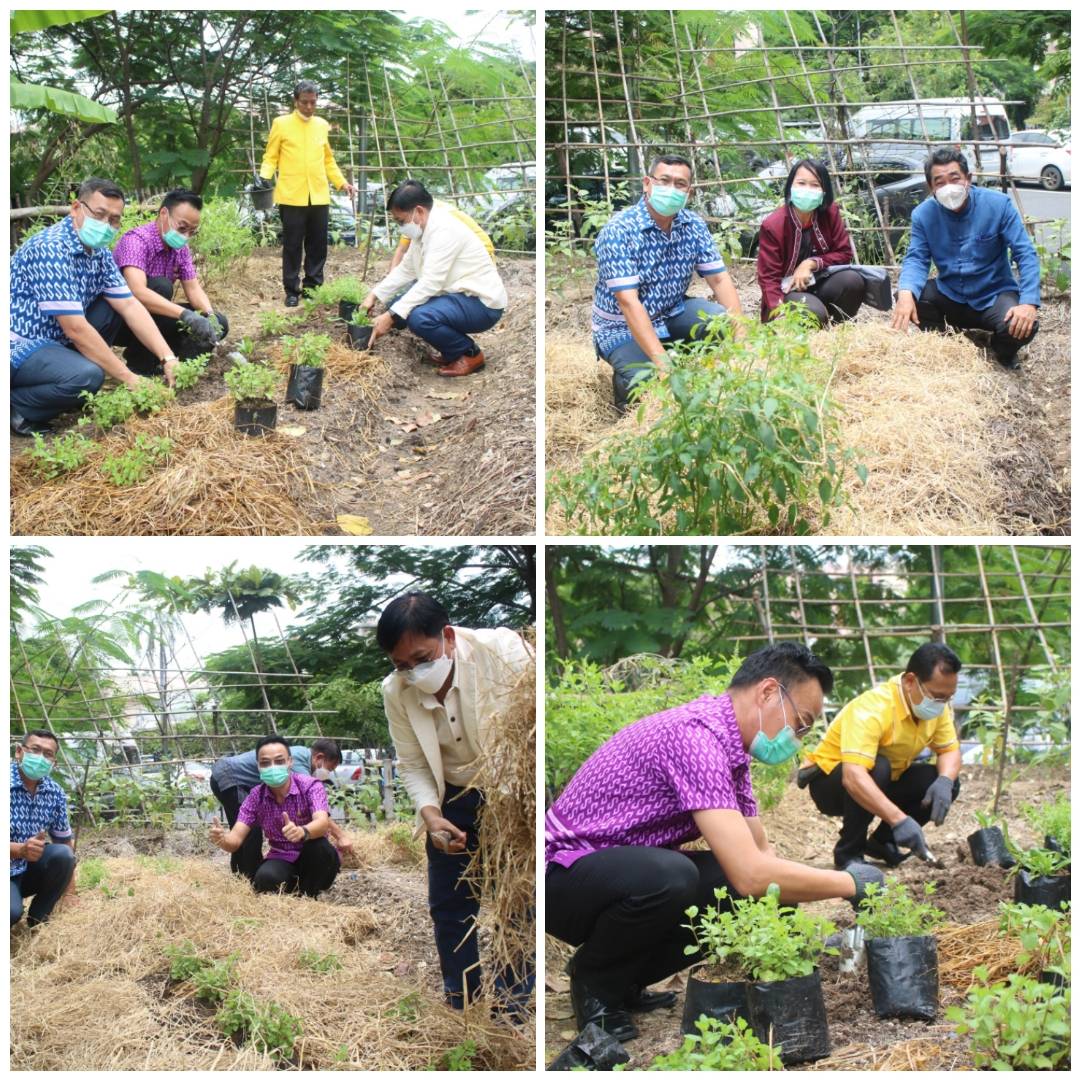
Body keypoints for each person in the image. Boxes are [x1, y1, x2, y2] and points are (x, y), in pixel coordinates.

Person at [545, 643, 884, 1042]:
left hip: (615, 878)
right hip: (562, 877)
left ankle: (624, 981)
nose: (798, 738)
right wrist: (850, 883)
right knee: (671, 876)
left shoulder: (731, 751)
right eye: (801, 723)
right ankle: (595, 986)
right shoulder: (695, 737)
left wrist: (790, 943)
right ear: (768, 692)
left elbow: (760, 857)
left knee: (730, 887)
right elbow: (752, 874)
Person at [378, 592, 534, 1010]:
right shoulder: (396, 691)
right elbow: (411, 763)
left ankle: (512, 1003)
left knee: (518, 900)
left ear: (447, 636)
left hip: (512, 793)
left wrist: (517, 807)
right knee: (450, 907)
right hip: (451, 798)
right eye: (402, 665)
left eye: (422, 658)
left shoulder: (503, 653)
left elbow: (532, 733)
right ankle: (462, 1001)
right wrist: (432, 817)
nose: (413, 672)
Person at [9, 177, 181, 435]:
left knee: (112, 306)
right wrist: (129, 379)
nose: (106, 225)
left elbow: (129, 304)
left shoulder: (97, 250)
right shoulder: (51, 249)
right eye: (99, 214)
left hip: (56, 339)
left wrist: (167, 357)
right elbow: (76, 328)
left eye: (114, 219)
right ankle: (17, 406)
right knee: (87, 377)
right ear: (77, 208)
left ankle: (66, 378)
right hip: (22, 343)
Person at [590, 153, 744, 412]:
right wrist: (662, 364)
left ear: (689, 191)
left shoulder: (692, 225)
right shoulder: (619, 231)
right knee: (644, 382)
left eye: (680, 184)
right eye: (664, 180)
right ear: (647, 184)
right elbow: (628, 302)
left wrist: (742, 334)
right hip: (621, 326)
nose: (671, 189)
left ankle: (675, 355)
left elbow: (718, 278)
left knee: (721, 322)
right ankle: (632, 378)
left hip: (671, 312)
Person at [800, 642, 962, 869]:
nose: (941, 704)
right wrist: (899, 819)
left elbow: (949, 750)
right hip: (832, 784)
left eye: (948, 697)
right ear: (909, 682)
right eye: (936, 696)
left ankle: (882, 842)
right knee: (878, 766)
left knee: (942, 779)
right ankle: (849, 854)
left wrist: (945, 781)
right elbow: (853, 776)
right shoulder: (873, 709)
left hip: (884, 780)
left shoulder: (937, 707)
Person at [891, 148, 1040, 369]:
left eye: (955, 178)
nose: (948, 188)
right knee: (911, 296)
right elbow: (917, 258)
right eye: (940, 182)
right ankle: (949, 342)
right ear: (931, 188)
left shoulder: (998, 205)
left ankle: (1001, 350)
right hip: (951, 294)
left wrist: (1028, 302)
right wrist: (905, 294)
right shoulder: (923, 215)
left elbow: (1025, 253)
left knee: (1023, 325)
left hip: (994, 295)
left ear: (968, 179)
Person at [361, 182, 507, 377]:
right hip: (459, 296)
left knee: (419, 318)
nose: (401, 227)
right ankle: (451, 351)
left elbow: (431, 283)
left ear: (418, 211)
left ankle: (469, 353)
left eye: (401, 221)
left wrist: (389, 317)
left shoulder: (445, 231)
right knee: (400, 305)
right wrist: (374, 295)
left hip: (482, 304)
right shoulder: (424, 229)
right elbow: (407, 268)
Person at [259, 80, 356, 307]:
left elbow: (328, 160)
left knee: (317, 244)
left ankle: (312, 286)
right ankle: (291, 290)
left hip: (319, 194)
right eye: (305, 102)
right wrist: (264, 178)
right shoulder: (281, 123)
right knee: (292, 245)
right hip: (291, 194)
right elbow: (270, 156)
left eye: (313, 102)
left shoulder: (322, 125)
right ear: (296, 101)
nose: (309, 107)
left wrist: (342, 183)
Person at [112, 189, 229, 374]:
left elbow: (193, 288)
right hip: (123, 320)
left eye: (192, 232)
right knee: (160, 286)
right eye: (182, 228)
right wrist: (185, 315)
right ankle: (140, 365)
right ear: (164, 214)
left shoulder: (180, 248)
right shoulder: (137, 241)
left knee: (219, 322)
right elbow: (137, 291)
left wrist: (209, 316)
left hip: (156, 317)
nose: (186, 236)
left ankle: (184, 369)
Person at [209, 736, 340, 898]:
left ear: (290, 762)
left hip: (310, 853)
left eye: (279, 761)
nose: (273, 767)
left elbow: (322, 823)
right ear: (258, 766)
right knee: (265, 880)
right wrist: (222, 840)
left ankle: (308, 895)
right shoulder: (255, 797)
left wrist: (303, 831)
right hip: (282, 856)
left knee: (321, 849)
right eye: (265, 763)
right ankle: (291, 888)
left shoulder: (311, 786)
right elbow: (235, 840)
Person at [756, 158, 865, 326]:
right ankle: (808, 337)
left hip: (819, 281)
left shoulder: (830, 213)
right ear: (790, 187)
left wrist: (811, 263)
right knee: (814, 313)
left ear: (824, 191)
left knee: (852, 281)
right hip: (786, 291)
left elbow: (844, 253)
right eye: (801, 183)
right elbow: (768, 279)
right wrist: (779, 312)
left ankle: (840, 333)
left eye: (815, 185)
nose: (807, 190)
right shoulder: (774, 225)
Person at [11, 730, 78, 928]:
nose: (40, 758)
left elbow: (64, 840)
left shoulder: (54, 792)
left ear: (54, 762)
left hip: (28, 870)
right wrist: (19, 850)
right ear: (19, 752)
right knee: (10, 912)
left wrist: (70, 893)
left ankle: (38, 921)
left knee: (63, 854)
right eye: (35, 750)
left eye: (48, 754)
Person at [388, 180, 495, 270]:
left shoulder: (440, 216)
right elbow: (402, 249)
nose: (401, 225)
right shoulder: (413, 219)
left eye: (400, 220)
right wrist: (390, 280)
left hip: (479, 253)